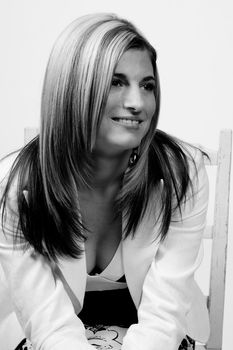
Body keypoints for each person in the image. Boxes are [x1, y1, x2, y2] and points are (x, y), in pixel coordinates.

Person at [0, 12, 210, 350]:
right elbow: (47, 325)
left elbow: (164, 316)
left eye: (147, 85)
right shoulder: (16, 186)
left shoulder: (182, 173)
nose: (138, 103)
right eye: (116, 82)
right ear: (75, 89)